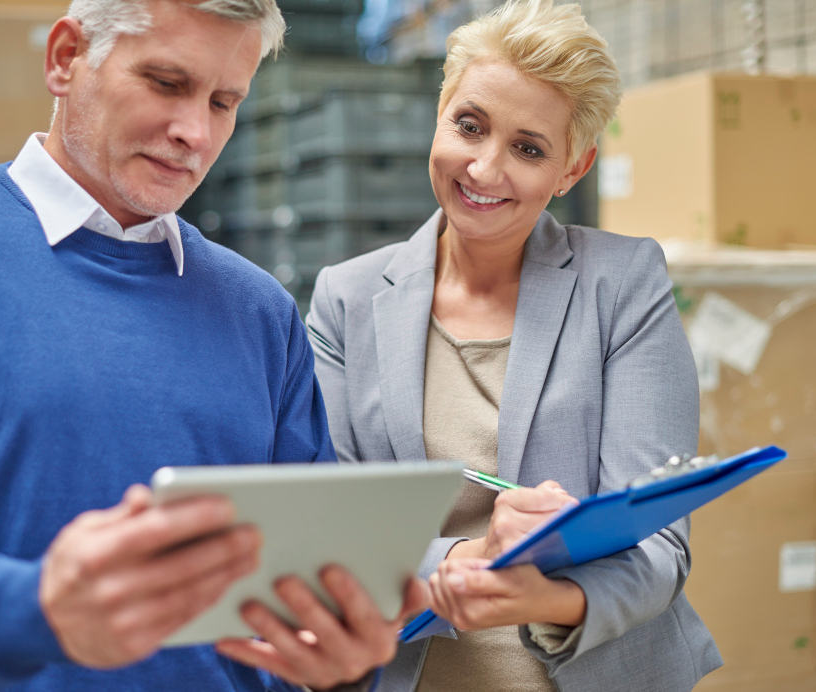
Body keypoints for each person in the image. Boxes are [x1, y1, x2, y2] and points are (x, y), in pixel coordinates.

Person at [0, 0, 424, 690]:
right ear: (66, 58)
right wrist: (34, 611)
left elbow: (313, 587)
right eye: (166, 83)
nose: (195, 133)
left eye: (224, 102)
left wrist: (342, 668)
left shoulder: (261, 312)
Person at [305, 0, 723, 690]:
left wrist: (544, 598)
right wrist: (470, 561)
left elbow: (659, 544)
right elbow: (333, 535)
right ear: (438, 116)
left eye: (528, 149)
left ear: (572, 170)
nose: (483, 168)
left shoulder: (623, 284)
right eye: (469, 126)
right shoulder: (345, 299)